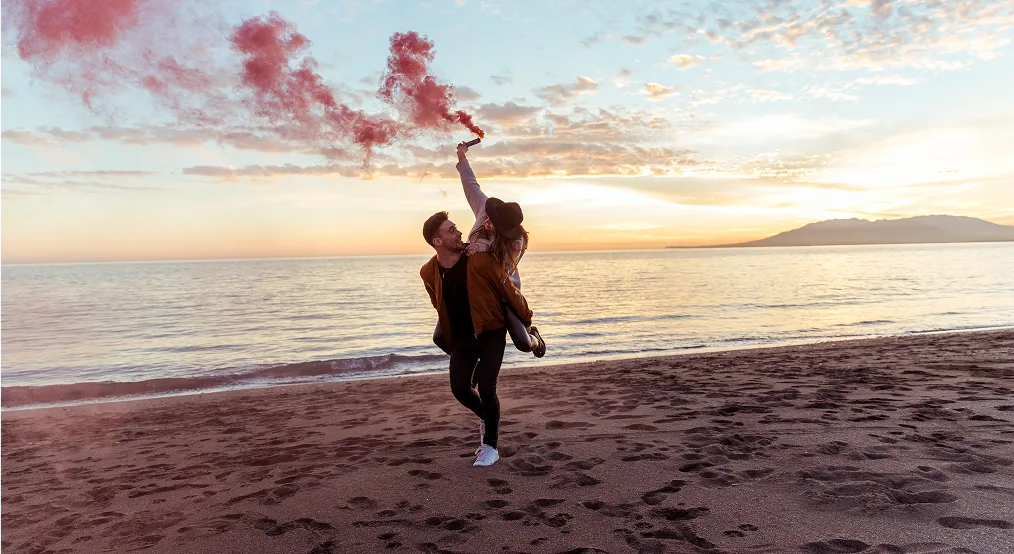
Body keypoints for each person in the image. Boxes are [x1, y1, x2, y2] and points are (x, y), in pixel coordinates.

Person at [420, 209, 533, 467]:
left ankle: (490, 447)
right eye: (451, 230)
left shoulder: (479, 260)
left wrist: (527, 319)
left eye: (456, 227)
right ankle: (487, 416)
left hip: (491, 332)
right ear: (438, 242)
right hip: (461, 338)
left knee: (486, 386)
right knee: (459, 388)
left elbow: (509, 290)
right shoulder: (428, 271)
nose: (459, 232)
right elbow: (436, 302)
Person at [444, 141, 546, 357]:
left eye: (494, 224)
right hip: (474, 286)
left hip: (501, 290)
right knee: (442, 335)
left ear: (506, 231)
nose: (487, 223)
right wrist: (462, 157)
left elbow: (502, 274)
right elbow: (471, 184)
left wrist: (474, 248)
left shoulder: (514, 244)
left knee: (522, 343)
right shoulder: (483, 208)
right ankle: (470, 364)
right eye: (489, 218)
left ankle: (535, 337)